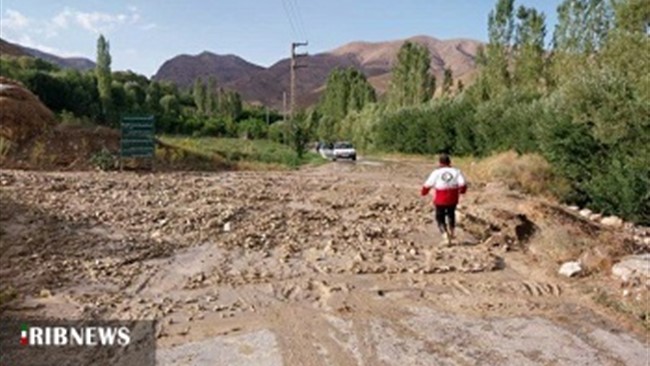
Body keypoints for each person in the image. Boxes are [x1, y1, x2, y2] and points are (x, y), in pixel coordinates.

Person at [420, 154, 467, 244]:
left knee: (439, 216)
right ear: (449, 162)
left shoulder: (436, 172)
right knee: (451, 214)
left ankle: (445, 235)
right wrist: (462, 191)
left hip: (440, 197)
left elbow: (428, 184)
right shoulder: (456, 171)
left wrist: (424, 192)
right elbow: (463, 184)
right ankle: (452, 232)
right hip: (453, 196)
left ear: (439, 162)